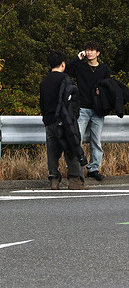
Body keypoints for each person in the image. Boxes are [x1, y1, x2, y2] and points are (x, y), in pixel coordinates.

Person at [40, 50, 88, 190]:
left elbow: (42, 104)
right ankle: (75, 181)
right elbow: (72, 101)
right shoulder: (65, 79)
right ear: (62, 64)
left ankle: (54, 180)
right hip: (64, 120)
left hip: (49, 121)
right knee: (71, 149)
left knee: (52, 152)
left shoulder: (44, 81)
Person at [65, 40, 111, 181]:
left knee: (96, 141)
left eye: (92, 50)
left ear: (98, 53)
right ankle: (74, 168)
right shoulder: (80, 66)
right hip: (82, 108)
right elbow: (64, 70)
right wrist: (77, 58)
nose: (89, 52)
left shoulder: (104, 69)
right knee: (75, 138)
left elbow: (109, 87)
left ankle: (93, 168)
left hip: (98, 109)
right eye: (87, 50)